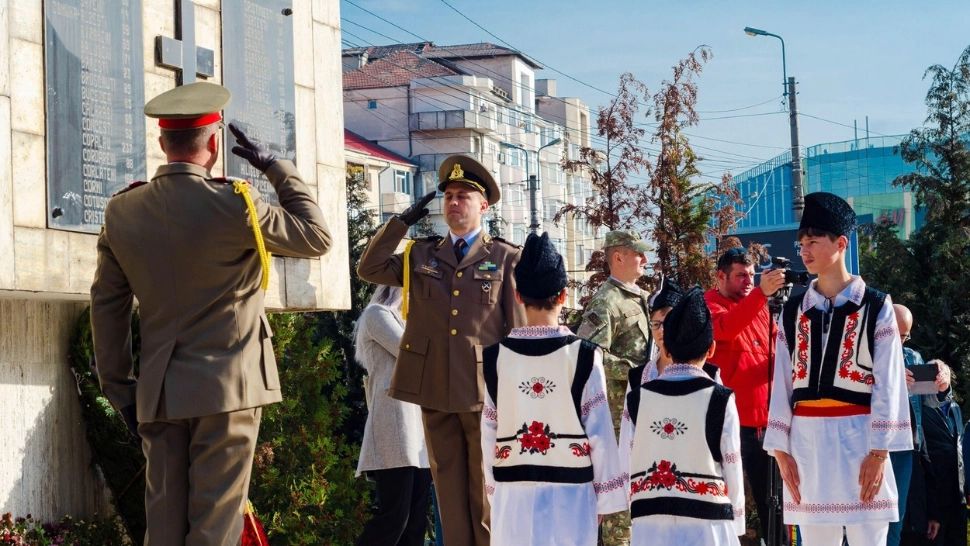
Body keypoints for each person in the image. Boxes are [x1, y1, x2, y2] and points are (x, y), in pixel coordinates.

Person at [90, 82, 332, 545]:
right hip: (229, 390)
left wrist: (120, 389)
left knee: (162, 524)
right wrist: (277, 168)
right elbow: (316, 237)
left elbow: (108, 308)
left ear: (162, 143)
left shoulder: (121, 211)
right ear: (215, 144)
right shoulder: (236, 204)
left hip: (158, 394)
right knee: (215, 526)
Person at [357, 155, 524, 546]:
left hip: (484, 392)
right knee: (448, 494)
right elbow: (369, 267)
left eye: (463, 195)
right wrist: (401, 223)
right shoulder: (421, 254)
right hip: (434, 389)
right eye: (448, 195)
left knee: (483, 497)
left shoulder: (505, 257)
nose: (453, 202)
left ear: (483, 205)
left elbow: (516, 332)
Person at [763, 192, 912, 545]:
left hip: (860, 443)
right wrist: (780, 449)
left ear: (841, 242)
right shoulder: (792, 311)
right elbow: (782, 380)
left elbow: (889, 383)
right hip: (807, 447)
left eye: (813, 241)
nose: (804, 250)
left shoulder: (876, 306)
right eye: (801, 243)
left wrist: (879, 451)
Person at [480, 232, 627, 546]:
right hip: (571, 495)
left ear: (518, 296)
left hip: (513, 494)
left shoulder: (495, 357)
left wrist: (495, 490)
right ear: (563, 295)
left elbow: (488, 432)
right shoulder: (584, 356)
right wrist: (604, 499)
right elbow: (599, 430)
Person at [619, 287, 745, 545]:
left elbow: (625, 459)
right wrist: (737, 521)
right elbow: (732, 463)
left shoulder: (638, 397)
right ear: (711, 349)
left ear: (667, 349)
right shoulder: (720, 398)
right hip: (708, 523)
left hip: (650, 522)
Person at [704, 246, 787, 544]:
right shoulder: (710, 304)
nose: (748, 281)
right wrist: (760, 295)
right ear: (720, 277)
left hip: (766, 424)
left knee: (774, 504)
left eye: (751, 275)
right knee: (730, 503)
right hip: (732, 425)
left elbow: (776, 350)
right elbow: (726, 329)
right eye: (740, 276)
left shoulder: (760, 306)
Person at [577, 230, 652, 546]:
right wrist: (633, 371)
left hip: (642, 410)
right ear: (618, 257)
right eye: (639, 253)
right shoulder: (606, 301)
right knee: (620, 502)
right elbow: (589, 354)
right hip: (617, 416)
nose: (645, 260)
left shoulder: (639, 297)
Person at [354, 285, 432, 546]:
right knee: (392, 520)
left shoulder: (409, 322)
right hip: (393, 431)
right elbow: (411, 352)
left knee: (415, 525)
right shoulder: (377, 314)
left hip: (418, 435)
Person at [918, 360, 964, 545]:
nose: (939, 375)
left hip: (957, 497)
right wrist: (932, 512)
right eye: (933, 371)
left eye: (943, 371)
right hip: (935, 498)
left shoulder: (955, 408)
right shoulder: (921, 408)